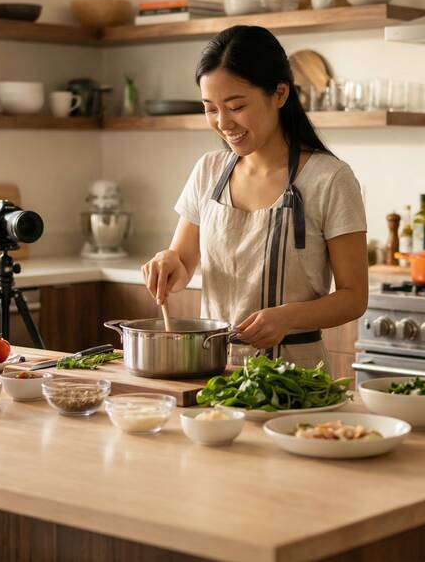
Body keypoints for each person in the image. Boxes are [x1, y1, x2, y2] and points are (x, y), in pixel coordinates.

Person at [141, 25, 368, 369]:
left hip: (294, 378)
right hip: (213, 370)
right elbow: (183, 262)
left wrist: (288, 317)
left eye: (235, 106)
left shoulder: (331, 179)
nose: (222, 122)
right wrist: (168, 262)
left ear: (279, 94)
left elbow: (354, 298)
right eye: (210, 108)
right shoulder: (209, 170)